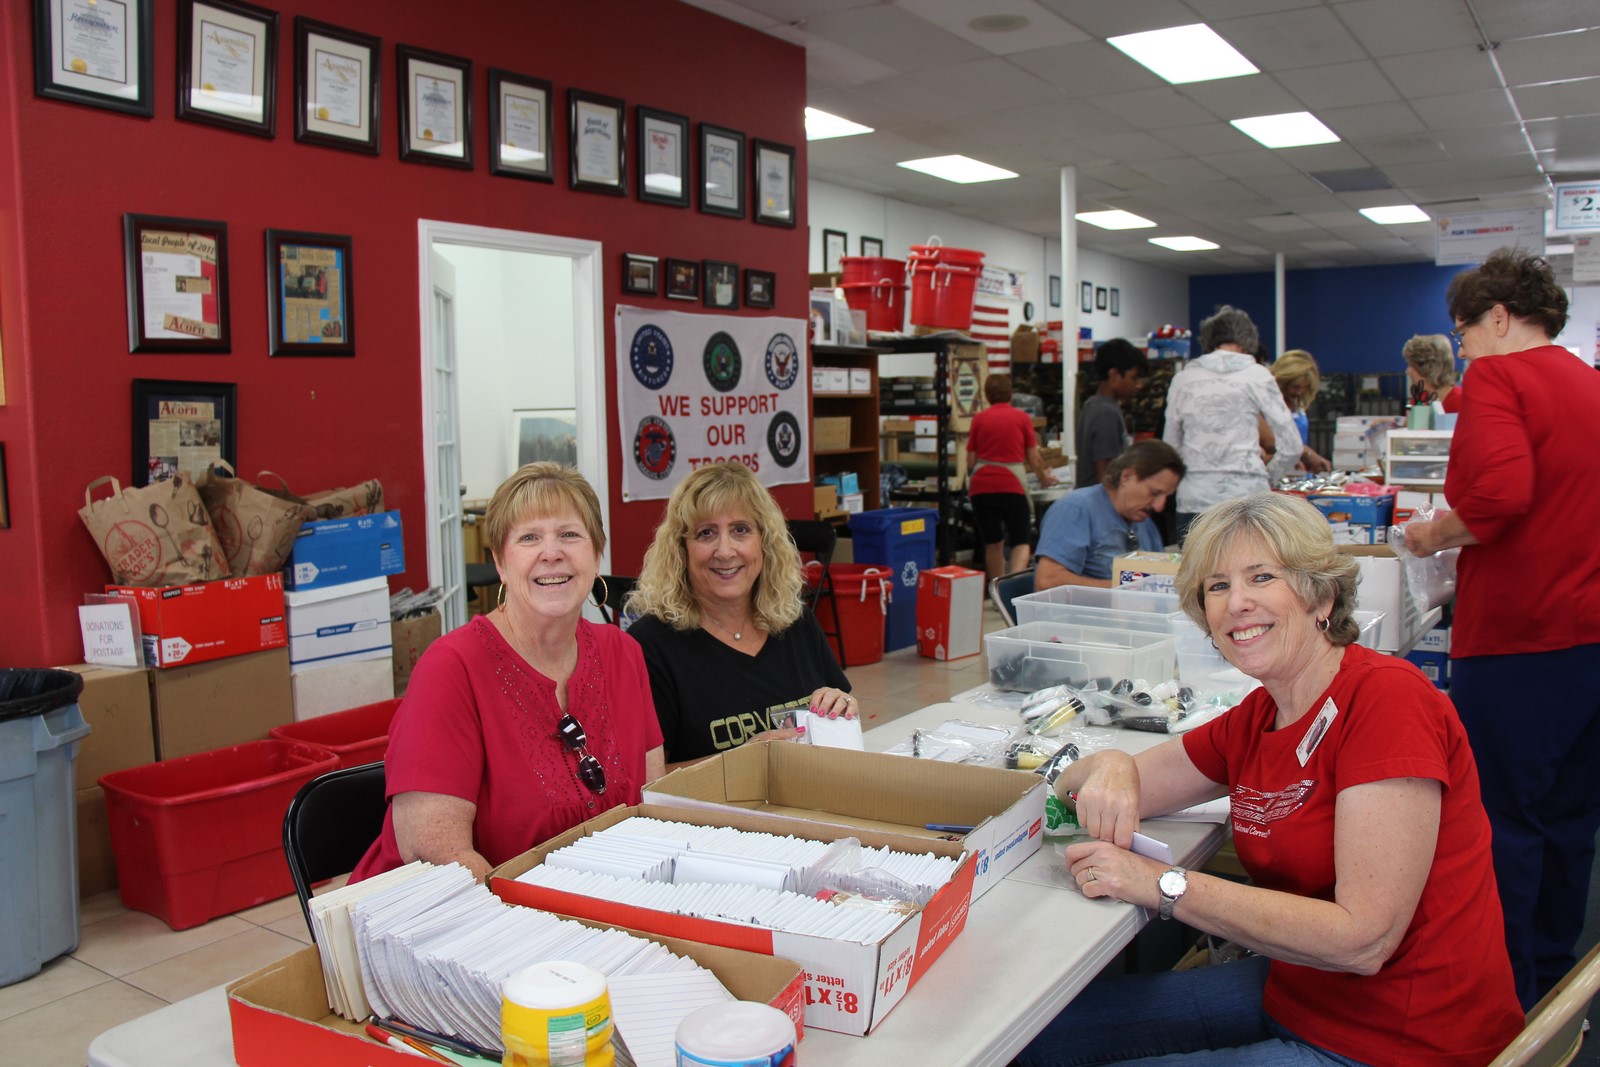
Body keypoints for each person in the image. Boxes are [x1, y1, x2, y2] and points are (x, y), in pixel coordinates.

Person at [1019, 492, 1522, 1067]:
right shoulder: (1262, 716)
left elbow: (1364, 940)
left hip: (1405, 1037)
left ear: (1321, 594)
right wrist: (1111, 763)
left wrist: (1162, 884)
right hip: (1304, 990)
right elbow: (1081, 784)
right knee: (1032, 1040)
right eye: (1216, 586)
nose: (1237, 603)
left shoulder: (1387, 700)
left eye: (1262, 577)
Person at [1404, 248, 1600, 1009]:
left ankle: (1502, 989)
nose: (1463, 349)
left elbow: (1499, 495)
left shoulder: (1499, 377)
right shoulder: (1587, 382)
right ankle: (1554, 975)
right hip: (1588, 635)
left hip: (1522, 635)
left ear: (1496, 316)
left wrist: (1433, 535)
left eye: (1463, 333)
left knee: (1504, 820)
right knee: (1570, 817)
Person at [352, 464, 665, 883]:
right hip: (464, 918)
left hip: (596, 910)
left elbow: (651, 806)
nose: (551, 552)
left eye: (569, 534)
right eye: (529, 538)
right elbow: (436, 855)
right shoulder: (451, 668)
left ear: (596, 553)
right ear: (500, 562)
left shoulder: (623, 653)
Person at [627, 462, 855, 767]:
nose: (725, 550)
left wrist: (841, 707)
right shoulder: (649, 646)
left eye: (741, 530)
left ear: (764, 541)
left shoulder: (794, 620)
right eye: (706, 533)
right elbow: (645, 781)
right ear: (682, 550)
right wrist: (740, 761)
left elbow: (838, 713)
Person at [1162, 305, 1301, 538]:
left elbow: (1170, 448)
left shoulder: (1183, 379)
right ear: (1247, 341)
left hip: (1194, 499)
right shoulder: (1257, 376)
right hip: (1247, 499)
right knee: (1250, 570)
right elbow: (1292, 446)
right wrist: (1268, 476)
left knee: (1197, 573)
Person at [1034, 440, 1183, 591]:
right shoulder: (1075, 509)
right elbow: (1048, 581)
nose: (1159, 506)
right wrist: (1125, 590)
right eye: (1154, 493)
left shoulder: (1145, 523)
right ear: (1127, 476)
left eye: (1166, 497)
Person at [966, 373, 1057, 580]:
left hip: (981, 487)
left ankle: (997, 591)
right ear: (1010, 394)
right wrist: (1044, 478)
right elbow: (1033, 458)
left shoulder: (978, 419)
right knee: (1021, 541)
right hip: (1012, 485)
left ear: (987, 395)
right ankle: (1012, 589)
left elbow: (970, 461)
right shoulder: (1022, 418)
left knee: (993, 543)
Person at [1076, 338, 1149, 489]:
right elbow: (1106, 474)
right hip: (1100, 504)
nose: (1138, 385)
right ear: (1114, 375)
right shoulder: (1106, 413)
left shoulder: (1093, 404)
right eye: (1133, 378)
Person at [1268, 349, 1331, 472]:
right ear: (1283, 382)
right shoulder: (1267, 405)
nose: (1299, 392)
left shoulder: (1298, 405)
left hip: (1299, 474)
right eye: (1295, 387)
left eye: (1305, 387)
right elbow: (1271, 442)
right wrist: (1308, 454)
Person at [1401, 333, 1462, 413]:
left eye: (1410, 365)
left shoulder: (1461, 402)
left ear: (1426, 368)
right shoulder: (1420, 399)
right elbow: (1408, 421)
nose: (1407, 371)